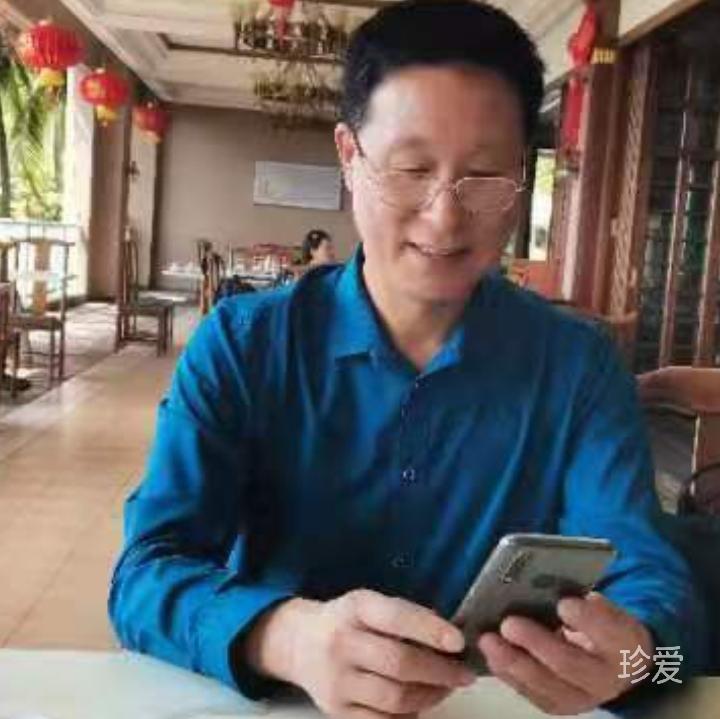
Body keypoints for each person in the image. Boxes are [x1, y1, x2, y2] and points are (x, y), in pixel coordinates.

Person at [109, 2, 708, 717]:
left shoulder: (579, 369)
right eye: (411, 169)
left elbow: (665, 615)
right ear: (348, 156)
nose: (445, 216)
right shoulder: (244, 346)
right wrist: (285, 639)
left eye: (484, 176)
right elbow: (143, 576)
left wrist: (636, 663)